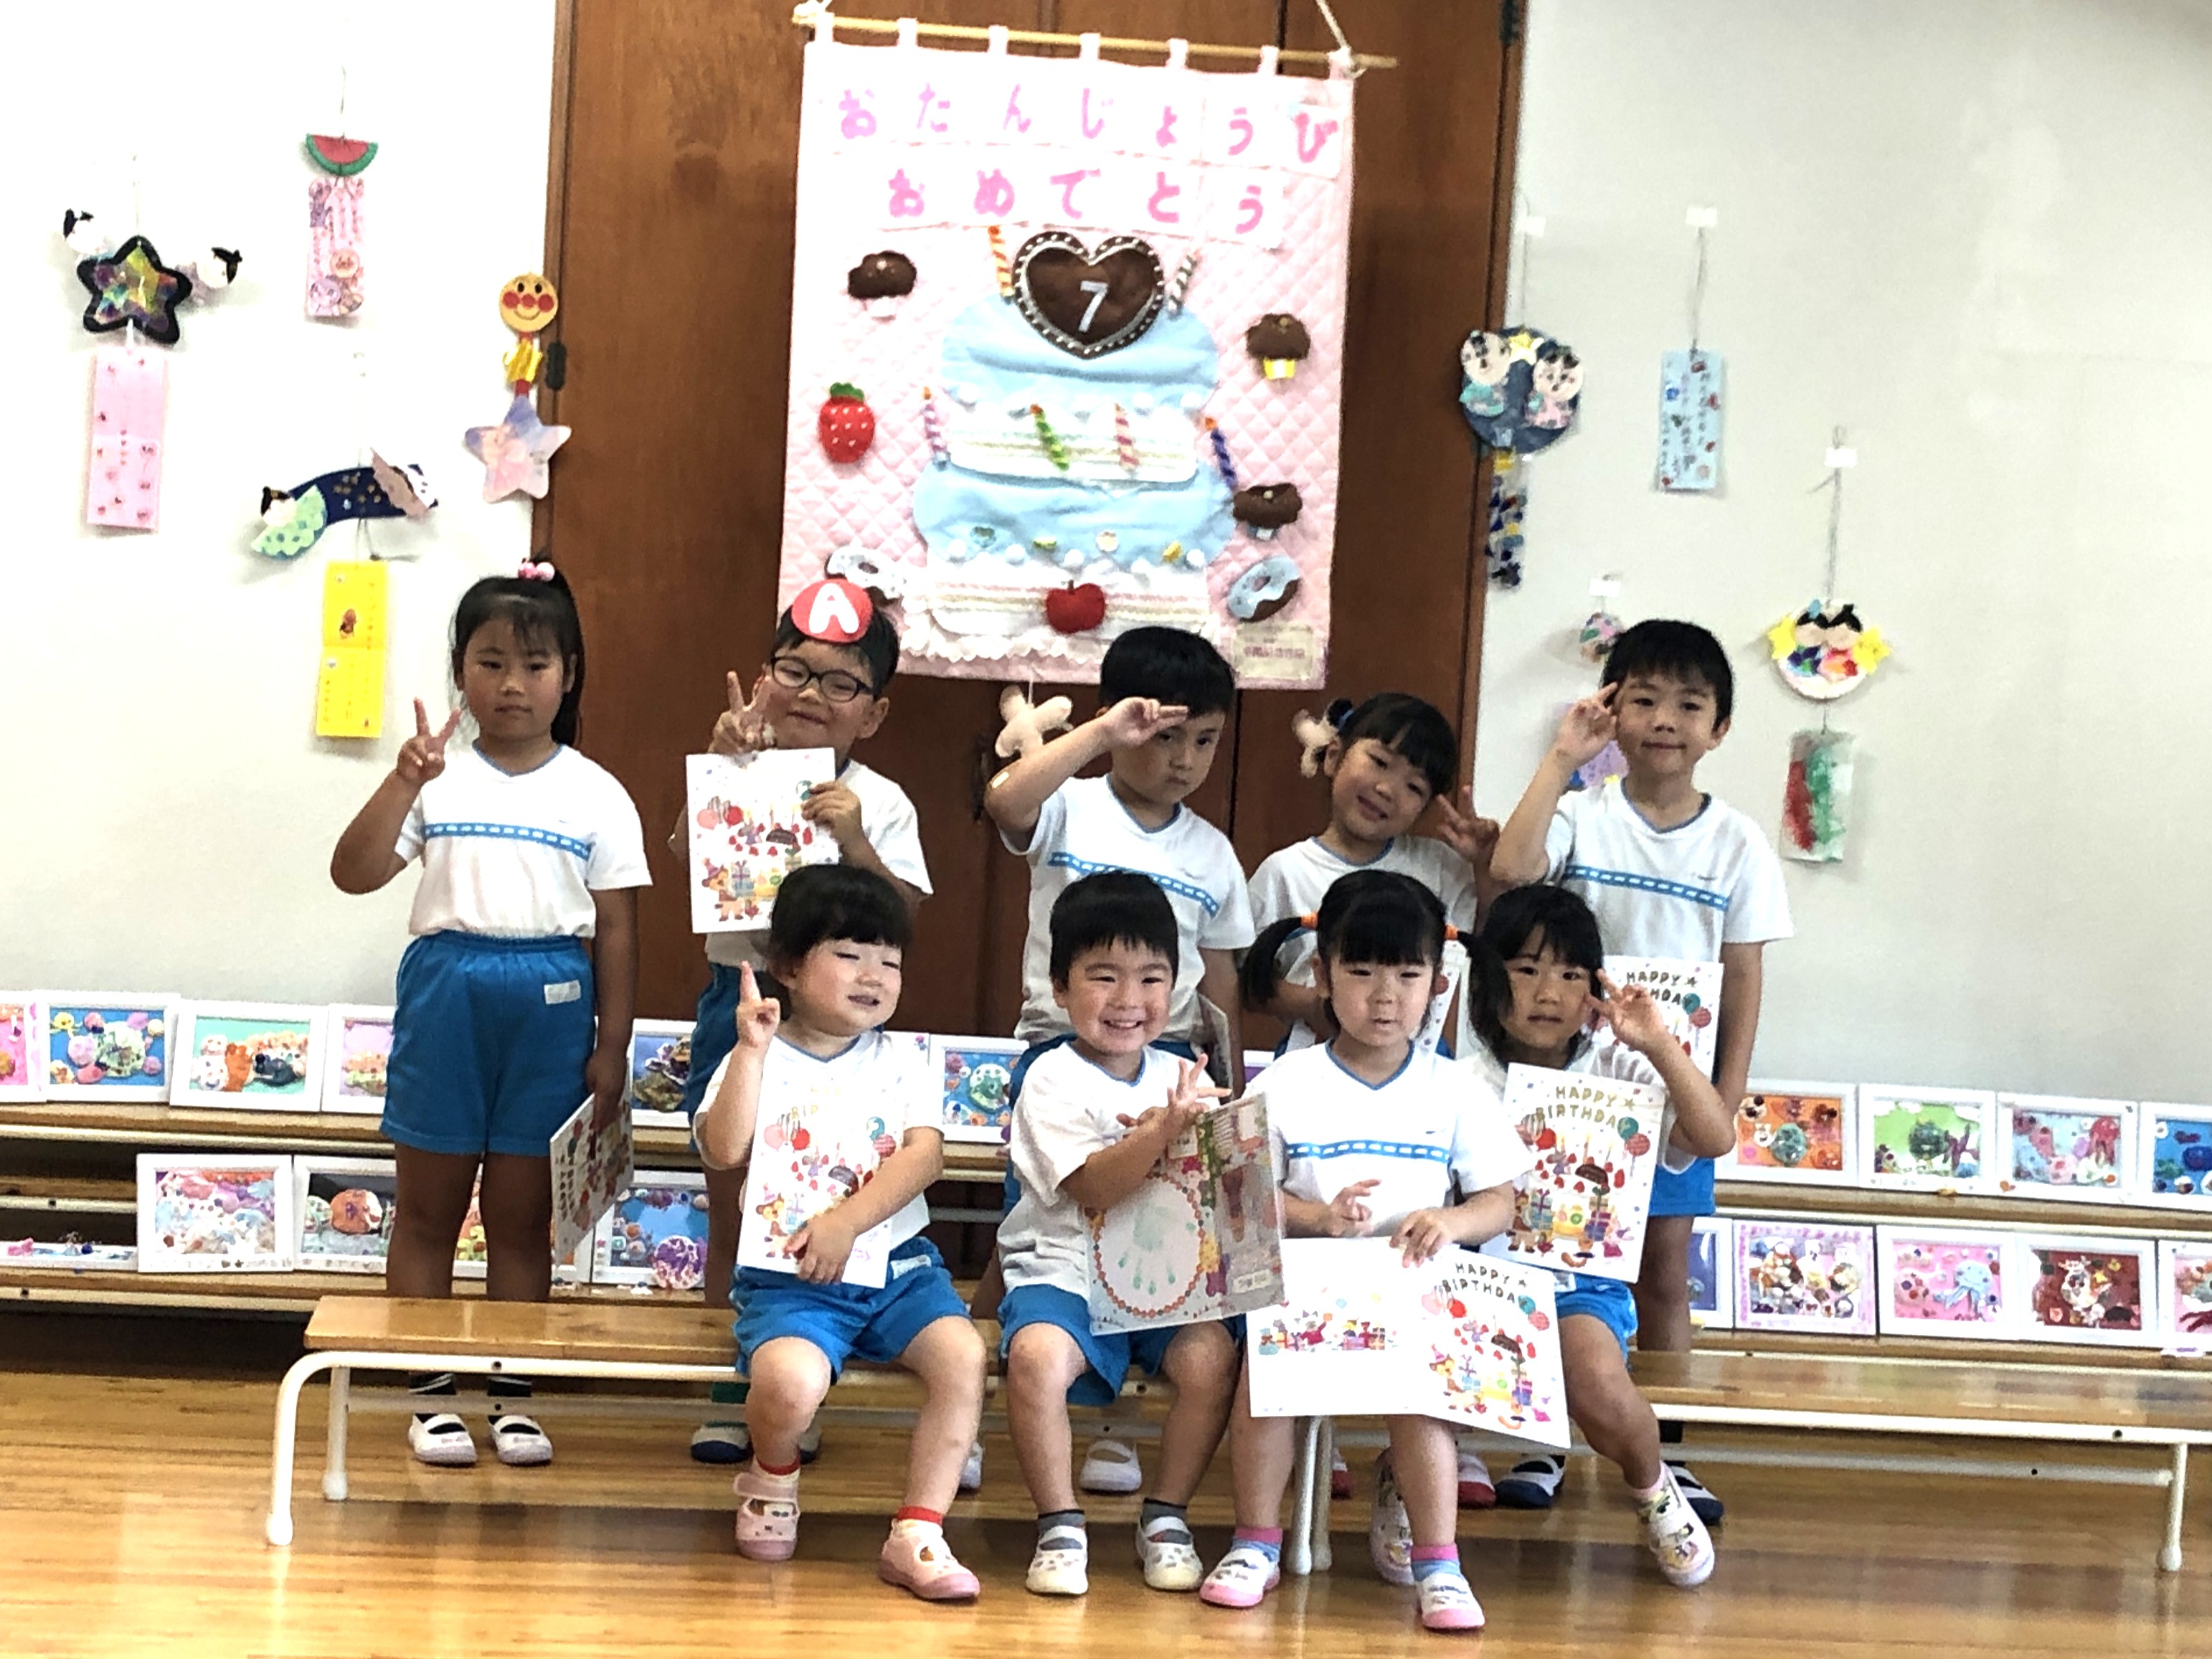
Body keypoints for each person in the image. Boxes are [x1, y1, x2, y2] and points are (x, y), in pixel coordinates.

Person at [330, 562, 647, 1469]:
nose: (513, 684)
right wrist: (403, 779)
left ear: (569, 676)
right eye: (491, 662)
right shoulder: (438, 782)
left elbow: (619, 929)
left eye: (536, 665)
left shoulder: (597, 791)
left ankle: (512, 1394)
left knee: (519, 1219)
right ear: (460, 672)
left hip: (553, 1001)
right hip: (447, 993)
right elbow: (352, 873)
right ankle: (429, 1395)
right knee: (427, 1213)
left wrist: (614, 1045)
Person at [1487, 618, 1792, 1521]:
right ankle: (1544, 1439)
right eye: (1645, 699)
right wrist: (1562, 757)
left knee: (1662, 1276)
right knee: (1550, 1266)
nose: (1665, 720)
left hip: (1670, 1096)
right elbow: (1510, 869)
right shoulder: (1584, 814)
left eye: (1689, 705)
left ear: (1719, 729)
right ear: (1610, 709)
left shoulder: (1738, 843)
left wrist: (1726, 1095)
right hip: (1566, 1092)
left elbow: (1745, 974)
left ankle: (1670, 1450)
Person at [1202, 871, 1530, 1632]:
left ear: (1437, 983)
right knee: (1264, 1382)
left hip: (1414, 1289)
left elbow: (1500, 1201)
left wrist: (1450, 1221)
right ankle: (1256, 1541)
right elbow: (1238, 1193)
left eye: (1408, 975)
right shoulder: (1289, 1079)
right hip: (1307, 1283)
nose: (1386, 997)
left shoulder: (1453, 1087)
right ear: (1322, 977)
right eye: (1362, 972)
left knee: (1421, 1400)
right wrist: (1317, 1216)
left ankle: (1439, 1563)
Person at [981, 625, 1256, 1495]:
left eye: (1204, 742)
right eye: (1167, 736)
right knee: (1038, 1227)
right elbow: (1004, 803)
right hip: (1057, 1048)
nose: (1184, 761)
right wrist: (1100, 734)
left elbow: (1220, 975)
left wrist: (1228, 1080)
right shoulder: (1071, 804)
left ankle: (1112, 1425)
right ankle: (991, 1403)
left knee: (1147, 1239)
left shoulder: (1211, 852)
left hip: (1168, 1059)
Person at [673, 580, 932, 1467]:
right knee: (731, 1199)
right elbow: (684, 856)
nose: (813, 694)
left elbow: (904, 917)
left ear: (875, 710)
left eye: (842, 683)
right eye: (795, 670)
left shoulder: (882, 801)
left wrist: (854, 839)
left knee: (826, 1194)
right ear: (763, 677)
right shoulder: (734, 763)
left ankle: (804, 1371)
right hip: (741, 1004)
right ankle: (738, 1389)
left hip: (841, 1033)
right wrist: (719, 770)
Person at [693, 864, 986, 1602]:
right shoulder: (755, 1053)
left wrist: (847, 1222)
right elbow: (723, 1149)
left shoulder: (906, 1060)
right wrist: (750, 1053)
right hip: (789, 1280)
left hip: (901, 1270)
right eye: (850, 954)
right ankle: (774, 1473)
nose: (874, 975)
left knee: (962, 1356)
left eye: (890, 960)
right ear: (788, 966)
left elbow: (925, 1157)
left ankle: (919, 1528)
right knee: (788, 1383)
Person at [1243, 691, 1506, 1511]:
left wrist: (1484, 866)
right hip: (1320, 1076)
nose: (1389, 789)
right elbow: (1256, 975)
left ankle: (1426, 1466)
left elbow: (1481, 945)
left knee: (1432, 1256)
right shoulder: (1287, 870)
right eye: (1379, 762)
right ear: (1335, 754)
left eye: (1415, 784)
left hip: (1410, 1089)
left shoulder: (1437, 871)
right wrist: (1334, 1008)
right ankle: (1306, 1460)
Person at [1462, 884, 1728, 1587]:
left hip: (1579, 1284)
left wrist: (1658, 1042)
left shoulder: (1618, 1070)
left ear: (1594, 991)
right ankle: (1406, 1489)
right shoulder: (1459, 1080)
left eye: (1571, 973)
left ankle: (1653, 1490)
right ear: (1488, 980)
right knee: (1432, 1381)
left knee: (1601, 1384)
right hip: (1474, 1281)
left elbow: (1713, 1136)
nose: (1548, 992)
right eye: (1525, 969)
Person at [996, 873, 1241, 1597]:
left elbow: (1221, 1195)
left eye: (1151, 978)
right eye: (1103, 976)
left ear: (1178, 985)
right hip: (1065, 1272)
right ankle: (1059, 1523)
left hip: (1170, 1282)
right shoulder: (1049, 1077)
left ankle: (1166, 1514)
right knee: (1037, 1358)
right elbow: (1095, 1187)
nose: (1129, 998)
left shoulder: (1187, 1075)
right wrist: (1163, 1132)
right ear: (1059, 987)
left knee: (1213, 1358)